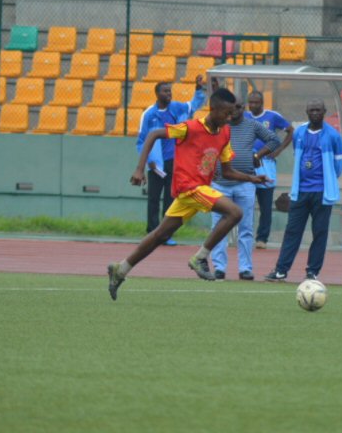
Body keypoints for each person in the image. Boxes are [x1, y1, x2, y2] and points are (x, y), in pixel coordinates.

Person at [107, 88, 268, 300]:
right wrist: (139, 168)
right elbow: (154, 134)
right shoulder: (190, 128)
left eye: (233, 114)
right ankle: (200, 258)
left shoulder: (224, 133)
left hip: (197, 190)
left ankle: (121, 269)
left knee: (160, 235)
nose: (230, 118)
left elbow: (227, 170)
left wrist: (251, 178)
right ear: (214, 109)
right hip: (189, 187)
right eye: (227, 113)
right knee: (235, 213)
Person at [264, 99, 342, 282]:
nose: (315, 113)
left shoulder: (333, 135)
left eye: (318, 110)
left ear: (324, 112)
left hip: (322, 193)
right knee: (292, 231)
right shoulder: (299, 133)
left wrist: (328, 180)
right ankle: (281, 270)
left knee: (319, 233)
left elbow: (339, 164)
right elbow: (298, 157)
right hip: (300, 191)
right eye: (311, 110)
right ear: (307, 112)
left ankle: (312, 271)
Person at [210, 99, 280, 281]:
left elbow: (274, 140)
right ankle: (219, 267)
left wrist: (258, 154)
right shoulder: (219, 126)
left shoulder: (253, 125)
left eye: (239, 107)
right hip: (220, 184)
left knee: (246, 228)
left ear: (244, 108)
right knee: (218, 227)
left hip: (245, 184)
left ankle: (245, 268)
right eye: (231, 107)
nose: (234, 110)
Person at [136, 76, 209, 246]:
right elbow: (141, 141)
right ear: (157, 93)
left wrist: (198, 90)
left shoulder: (177, 108)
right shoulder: (148, 114)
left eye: (170, 91)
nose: (169, 94)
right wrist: (148, 163)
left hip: (175, 162)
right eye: (165, 91)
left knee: (170, 199)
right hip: (156, 165)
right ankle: (152, 232)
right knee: (153, 199)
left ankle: (165, 234)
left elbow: (193, 105)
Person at [245, 90, 293, 250]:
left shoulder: (272, 116)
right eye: (250, 102)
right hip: (247, 163)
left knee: (265, 206)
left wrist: (278, 150)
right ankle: (245, 236)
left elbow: (291, 131)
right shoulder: (244, 116)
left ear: (262, 103)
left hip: (266, 164)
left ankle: (262, 239)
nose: (253, 105)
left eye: (256, 102)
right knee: (247, 203)